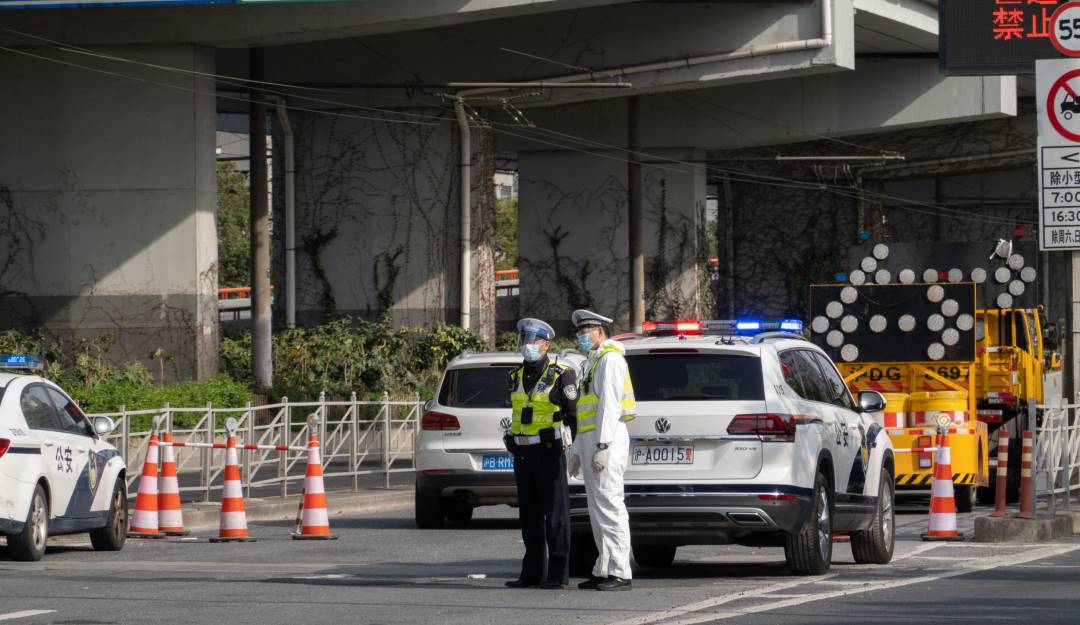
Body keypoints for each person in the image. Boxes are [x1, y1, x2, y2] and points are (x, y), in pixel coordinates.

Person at [504, 317, 578, 590]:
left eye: (532, 341)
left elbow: (573, 417)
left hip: (549, 452)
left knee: (556, 516)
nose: (527, 346)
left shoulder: (562, 374)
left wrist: (572, 446)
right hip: (523, 454)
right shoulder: (515, 376)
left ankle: (558, 575)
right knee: (529, 516)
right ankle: (531, 574)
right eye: (524, 340)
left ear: (546, 344)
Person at [569, 309, 636, 591]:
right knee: (597, 510)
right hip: (591, 440)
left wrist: (603, 446)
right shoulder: (591, 362)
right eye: (579, 332)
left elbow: (610, 406)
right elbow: (586, 409)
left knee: (610, 506)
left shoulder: (610, 360)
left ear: (600, 332)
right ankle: (604, 567)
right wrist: (576, 449)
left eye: (587, 331)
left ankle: (620, 571)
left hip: (606, 440)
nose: (582, 336)